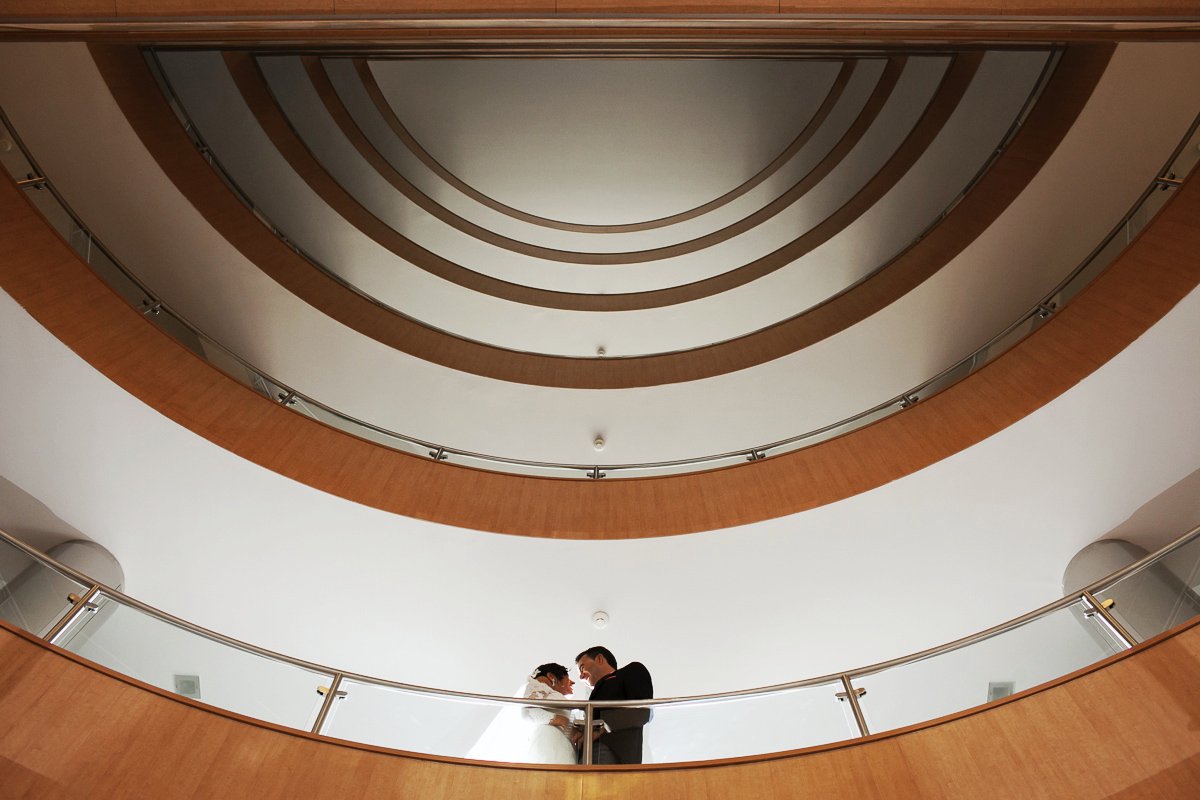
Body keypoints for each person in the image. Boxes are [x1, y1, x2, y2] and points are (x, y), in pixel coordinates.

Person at [576, 646, 653, 764]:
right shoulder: (593, 695)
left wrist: (601, 729)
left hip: (611, 750)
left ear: (599, 659)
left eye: (582, 668)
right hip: (587, 753)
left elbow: (642, 711)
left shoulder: (631, 671)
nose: (581, 676)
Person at [521, 662, 582, 764]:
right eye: (567, 678)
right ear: (551, 676)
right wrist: (564, 721)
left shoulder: (550, 693)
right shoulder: (538, 685)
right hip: (548, 742)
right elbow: (528, 712)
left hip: (563, 745)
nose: (572, 682)